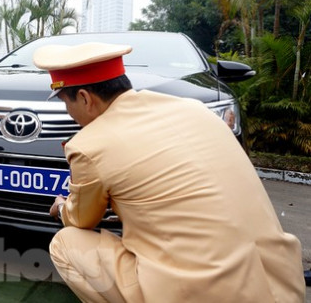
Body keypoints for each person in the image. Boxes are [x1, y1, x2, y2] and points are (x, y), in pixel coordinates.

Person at [32, 42, 306, 302]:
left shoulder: (89, 144)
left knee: (65, 243)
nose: (69, 112)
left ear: (84, 98)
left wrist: (62, 206)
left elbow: (82, 220)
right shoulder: (194, 109)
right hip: (281, 286)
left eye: (65, 103)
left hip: (203, 294)